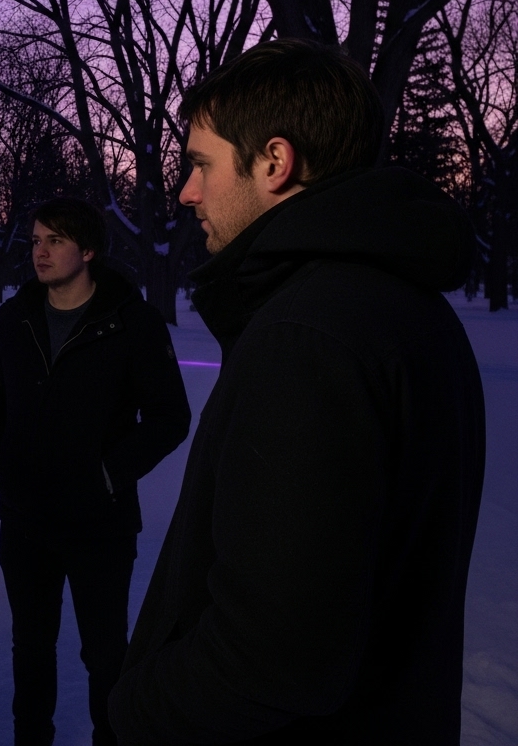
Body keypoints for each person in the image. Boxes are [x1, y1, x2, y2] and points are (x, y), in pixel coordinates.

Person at [108, 39, 486, 745]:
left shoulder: (307, 337)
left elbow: (272, 658)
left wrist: (138, 711)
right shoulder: (403, 307)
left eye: (200, 164)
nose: (187, 192)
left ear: (275, 163)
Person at [0, 197, 191, 746]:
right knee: (31, 649)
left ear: (88, 250)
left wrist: (109, 475)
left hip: (100, 524)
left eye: (55, 241)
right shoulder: (15, 315)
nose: (40, 253)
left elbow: (170, 416)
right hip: (26, 520)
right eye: (35, 242)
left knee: (105, 654)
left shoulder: (130, 321)